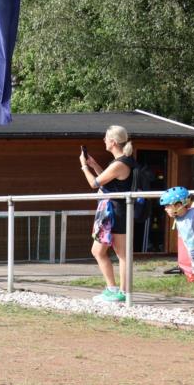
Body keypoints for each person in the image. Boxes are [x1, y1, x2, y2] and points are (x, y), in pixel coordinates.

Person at [81, 125, 134, 303]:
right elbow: (107, 182)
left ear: (113, 141)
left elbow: (95, 184)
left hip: (117, 212)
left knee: (122, 254)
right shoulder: (119, 162)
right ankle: (112, 288)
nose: (103, 141)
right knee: (97, 250)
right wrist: (94, 164)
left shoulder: (121, 163)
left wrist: (84, 167)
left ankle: (124, 292)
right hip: (109, 212)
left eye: (105, 138)